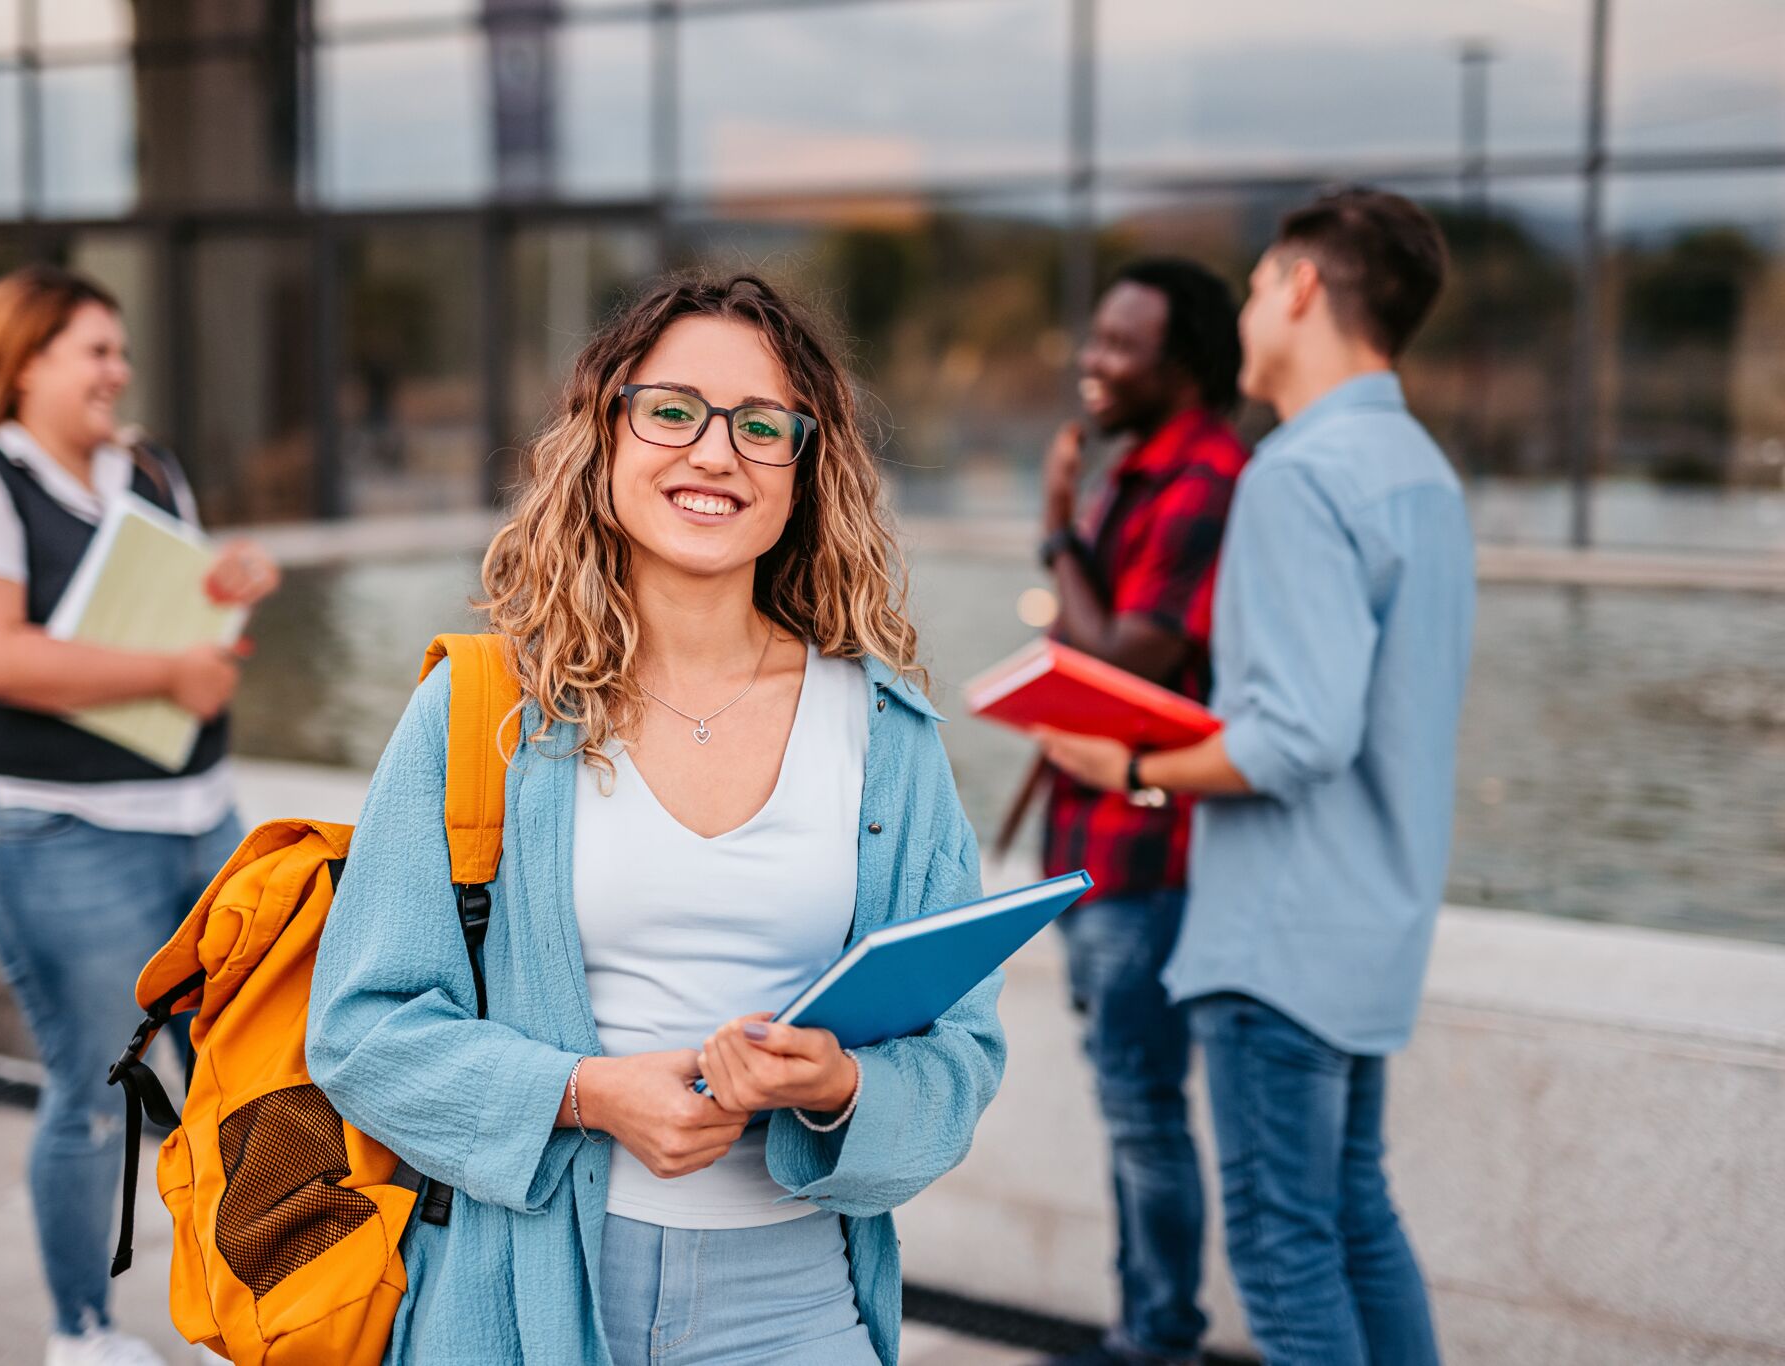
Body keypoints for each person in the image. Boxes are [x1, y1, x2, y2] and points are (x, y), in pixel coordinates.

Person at [305, 273, 1005, 1366]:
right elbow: (358, 1029)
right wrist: (584, 1095)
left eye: (760, 425)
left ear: (803, 470)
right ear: (604, 435)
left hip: (795, 1307)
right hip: (523, 1298)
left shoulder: (884, 736)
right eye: (671, 409)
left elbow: (959, 1053)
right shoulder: (483, 708)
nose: (714, 453)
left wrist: (839, 1087)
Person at [1037, 188, 1472, 1366]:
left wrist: (1123, 763)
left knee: (1285, 1254)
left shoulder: (1295, 473)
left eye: (1250, 287)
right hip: (1369, 927)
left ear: (1295, 287)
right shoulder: (1420, 473)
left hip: (1275, 940)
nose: (1239, 314)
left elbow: (1293, 737)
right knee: (1354, 1219)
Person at [0, 265, 280, 1366]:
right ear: (22, 362)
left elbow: (188, 607)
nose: (120, 370)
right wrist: (170, 672)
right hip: (56, 832)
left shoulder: (148, 466)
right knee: (99, 1087)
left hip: (203, 816)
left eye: (119, 349)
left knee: (244, 1078)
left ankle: (232, 1316)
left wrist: (229, 585)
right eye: (95, 350)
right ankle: (82, 1334)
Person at [1028, 259, 1248, 1366]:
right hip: (1092, 843)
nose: (1093, 362)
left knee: (1140, 1109)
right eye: (1095, 338)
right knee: (1127, 1104)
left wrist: (1058, 532)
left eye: (1121, 346)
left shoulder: (1205, 479)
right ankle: (1140, 1328)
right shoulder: (1140, 469)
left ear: (1184, 364)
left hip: (1150, 853)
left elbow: (1123, 663)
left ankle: (1156, 1338)